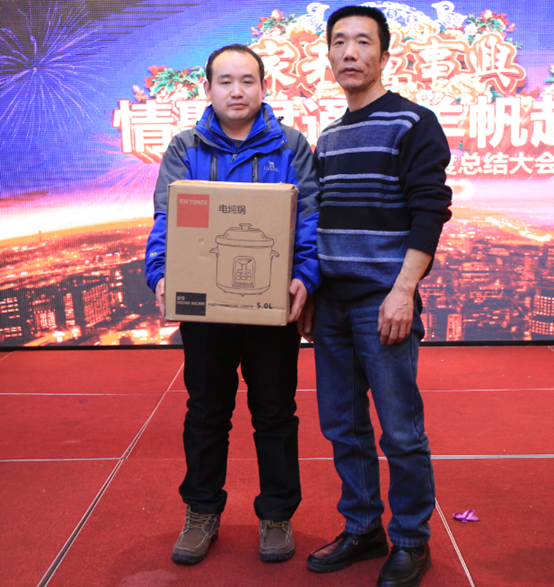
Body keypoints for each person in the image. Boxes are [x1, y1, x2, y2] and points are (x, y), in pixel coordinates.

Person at [145, 44, 320, 565]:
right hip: (206, 309)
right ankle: (201, 510)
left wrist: (305, 276)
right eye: (225, 81)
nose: (237, 91)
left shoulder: (291, 145)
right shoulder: (186, 146)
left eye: (247, 80)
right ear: (208, 89)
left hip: (271, 308)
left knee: (275, 412)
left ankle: (277, 515)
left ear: (264, 87)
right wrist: (160, 273)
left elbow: (310, 217)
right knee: (205, 411)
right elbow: (167, 217)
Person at [298, 6, 452, 587]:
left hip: (382, 302)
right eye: (339, 42)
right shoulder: (330, 136)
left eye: (363, 42)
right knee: (343, 427)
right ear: (328, 54)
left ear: (385, 54)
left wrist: (403, 291)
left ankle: (412, 540)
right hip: (332, 305)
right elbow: (320, 220)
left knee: (401, 432)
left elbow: (430, 211)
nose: (350, 53)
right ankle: (363, 527)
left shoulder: (413, 123)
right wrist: (313, 292)